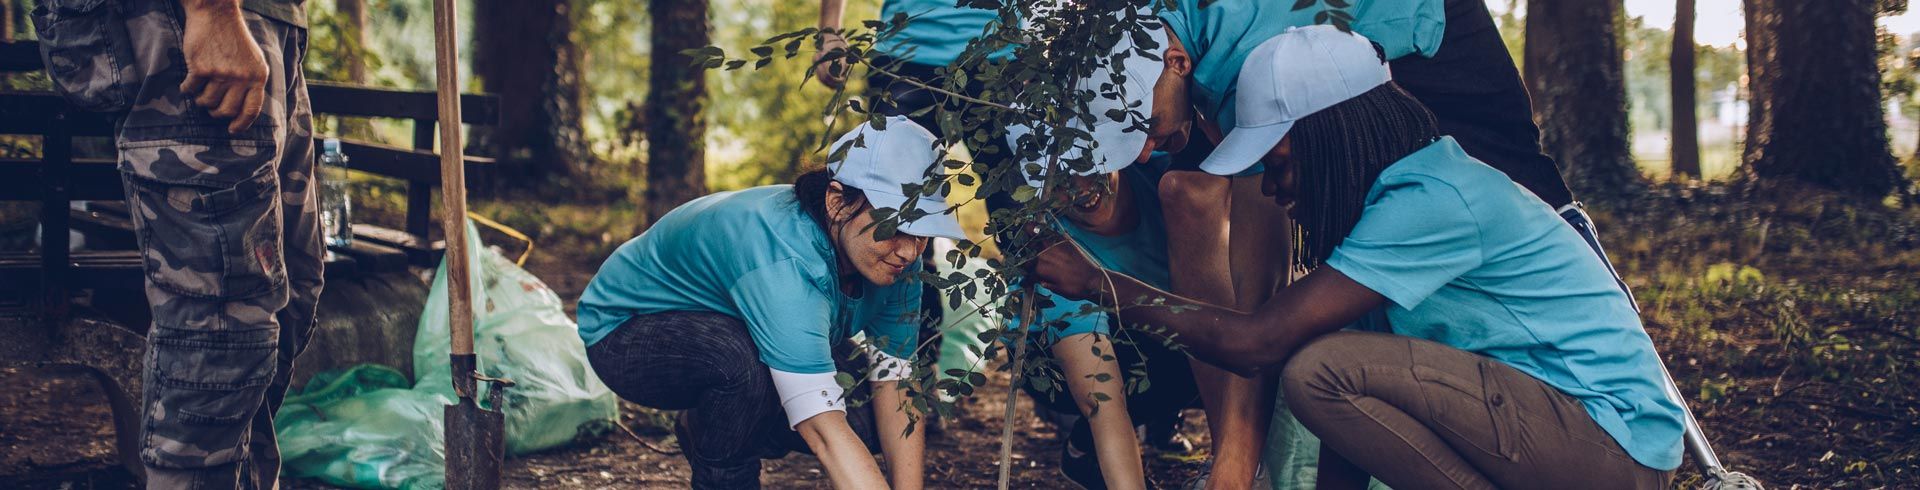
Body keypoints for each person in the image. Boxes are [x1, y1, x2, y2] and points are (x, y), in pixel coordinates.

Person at [1030, 26, 1683, 489]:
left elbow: (1259, 342)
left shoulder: (1433, 196)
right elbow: (1348, 432)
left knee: (1318, 368)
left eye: (1279, 164)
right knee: (1328, 368)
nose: (1274, 187)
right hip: (1557, 436)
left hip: (1610, 444)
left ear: (1330, 137)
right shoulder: (1377, 219)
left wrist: (1101, 285)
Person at [576, 117, 964, 489]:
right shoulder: (785, 262)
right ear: (838, 202)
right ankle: (724, 471)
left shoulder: (895, 261)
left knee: (864, 421)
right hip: (628, 331)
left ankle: (710, 421)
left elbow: (894, 385)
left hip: (738, 319)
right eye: (896, 227)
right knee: (743, 367)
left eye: (923, 232)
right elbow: (823, 430)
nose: (909, 251)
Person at [32, 0, 319, 486]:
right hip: (192, 21)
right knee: (222, 335)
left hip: (265, 23)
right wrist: (212, 11)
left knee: (291, 296)